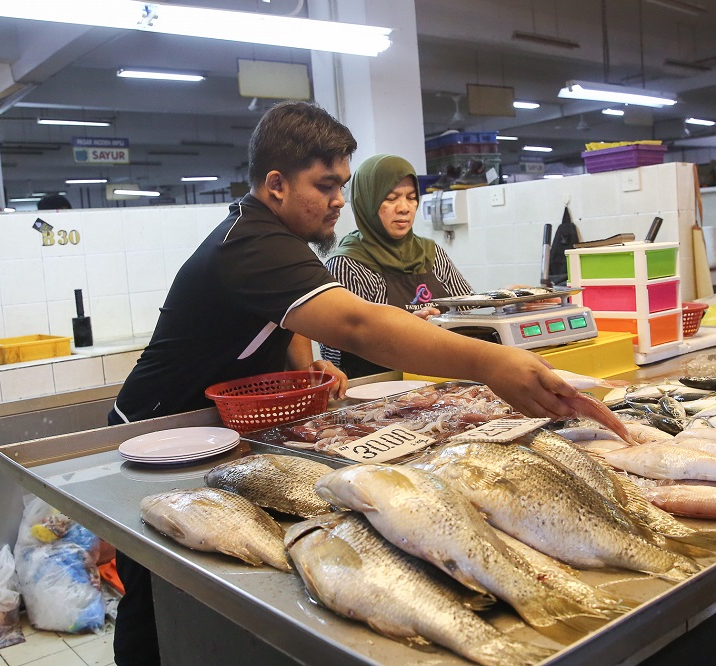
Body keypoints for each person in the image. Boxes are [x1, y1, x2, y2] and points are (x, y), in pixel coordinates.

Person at [107, 101, 578, 665]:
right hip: (158, 432)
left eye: (343, 185)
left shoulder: (272, 235)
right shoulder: (248, 244)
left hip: (217, 431)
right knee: (155, 591)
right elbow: (357, 323)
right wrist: (488, 362)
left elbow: (286, 318)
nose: (338, 201)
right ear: (276, 184)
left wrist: (304, 363)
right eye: (325, 185)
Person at [321, 153, 473, 378]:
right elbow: (333, 349)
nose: (405, 208)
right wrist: (407, 330)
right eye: (391, 198)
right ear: (368, 201)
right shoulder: (348, 264)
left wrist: (442, 318)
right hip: (377, 391)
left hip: (438, 381)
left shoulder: (430, 254)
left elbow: (469, 309)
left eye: (411, 197)